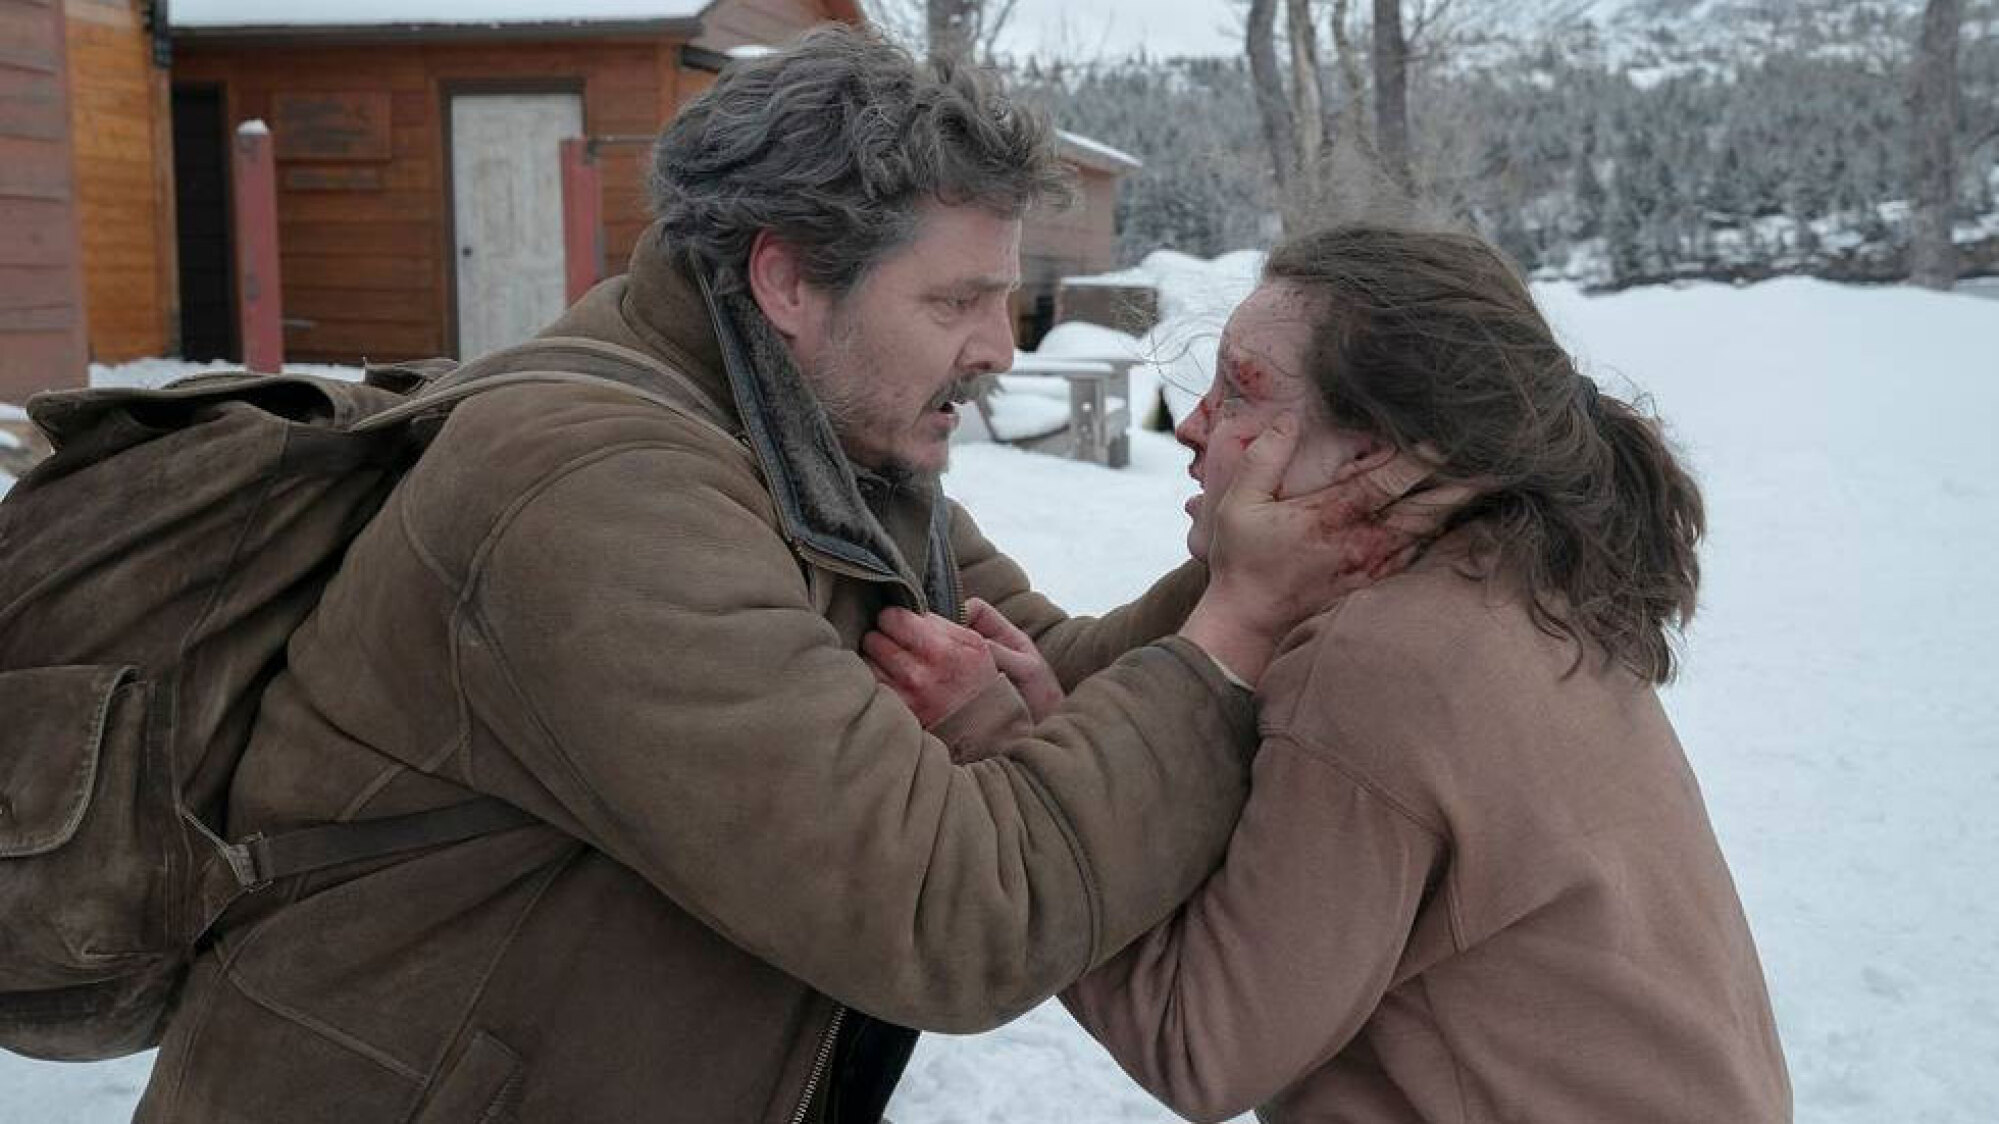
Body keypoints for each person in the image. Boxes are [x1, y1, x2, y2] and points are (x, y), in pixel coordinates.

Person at [134, 29, 1452, 1124]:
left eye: (1005, 296)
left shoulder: (818, 435)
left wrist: (1254, 559)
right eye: (952, 303)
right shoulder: (594, 502)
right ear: (783, 278)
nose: (998, 347)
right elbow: (954, 912)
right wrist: (1236, 623)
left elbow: (1046, 675)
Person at [868, 226, 1793, 1123]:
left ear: (1372, 455)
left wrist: (997, 739)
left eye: (1239, 394)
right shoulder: (1507, 575)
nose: (1190, 425)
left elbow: (1197, 1042)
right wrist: (1061, 718)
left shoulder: (1388, 655)